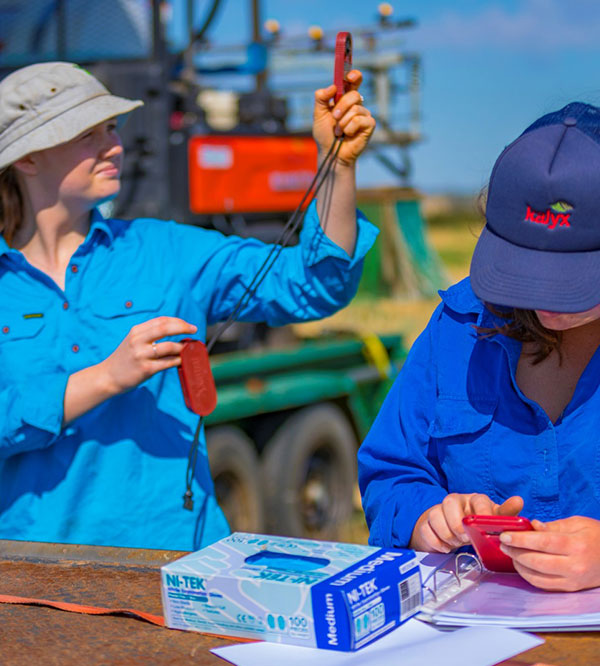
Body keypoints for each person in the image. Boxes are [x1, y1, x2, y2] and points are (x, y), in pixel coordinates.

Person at [0, 61, 377, 550]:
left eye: (112, 127)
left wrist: (337, 166)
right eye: (86, 134)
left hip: (175, 556)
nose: (114, 145)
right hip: (36, 573)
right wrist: (105, 378)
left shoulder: (168, 251)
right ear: (27, 158)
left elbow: (313, 283)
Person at [358, 102, 600, 592]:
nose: (548, 302)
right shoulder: (457, 326)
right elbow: (392, 474)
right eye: (527, 272)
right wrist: (426, 520)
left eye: (575, 279)